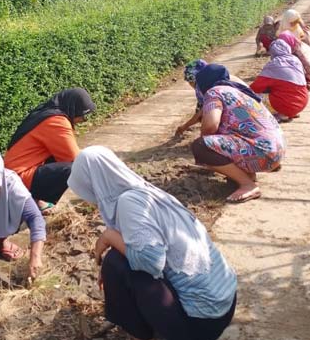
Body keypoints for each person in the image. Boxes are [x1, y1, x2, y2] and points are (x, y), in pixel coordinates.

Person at [67, 146, 237, 340]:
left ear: (95, 182)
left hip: (201, 325)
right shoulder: (146, 192)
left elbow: (151, 262)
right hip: (224, 307)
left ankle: (141, 332)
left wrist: (108, 237)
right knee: (122, 255)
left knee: (115, 262)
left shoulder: (128, 203)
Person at [191, 64, 285, 203]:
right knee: (222, 142)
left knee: (201, 146)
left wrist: (206, 150)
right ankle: (249, 174)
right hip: (276, 150)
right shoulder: (238, 91)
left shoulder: (214, 92)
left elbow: (211, 125)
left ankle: (248, 185)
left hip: (263, 151)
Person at [4, 88, 95, 214]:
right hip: (18, 180)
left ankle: (36, 200)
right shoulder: (56, 121)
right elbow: (74, 157)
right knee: (73, 168)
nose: (82, 120)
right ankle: (33, 200)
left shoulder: (46, 114)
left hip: (13, 175)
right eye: (83, 116)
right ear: (73, 109)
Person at [175, 60, 248, 137]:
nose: (191, 85)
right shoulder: (222, 78)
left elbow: (202, 113)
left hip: (242, 123)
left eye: (190, 82)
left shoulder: (211, 91)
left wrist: (184, 127)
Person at [251, 38, 309, 122]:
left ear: (272, 51)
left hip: (285, 105)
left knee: (252, 97)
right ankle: (290, 113)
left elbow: (255, 88)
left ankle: (282, 114)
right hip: (302, 102)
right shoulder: (295, 60)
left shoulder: (274, 64)